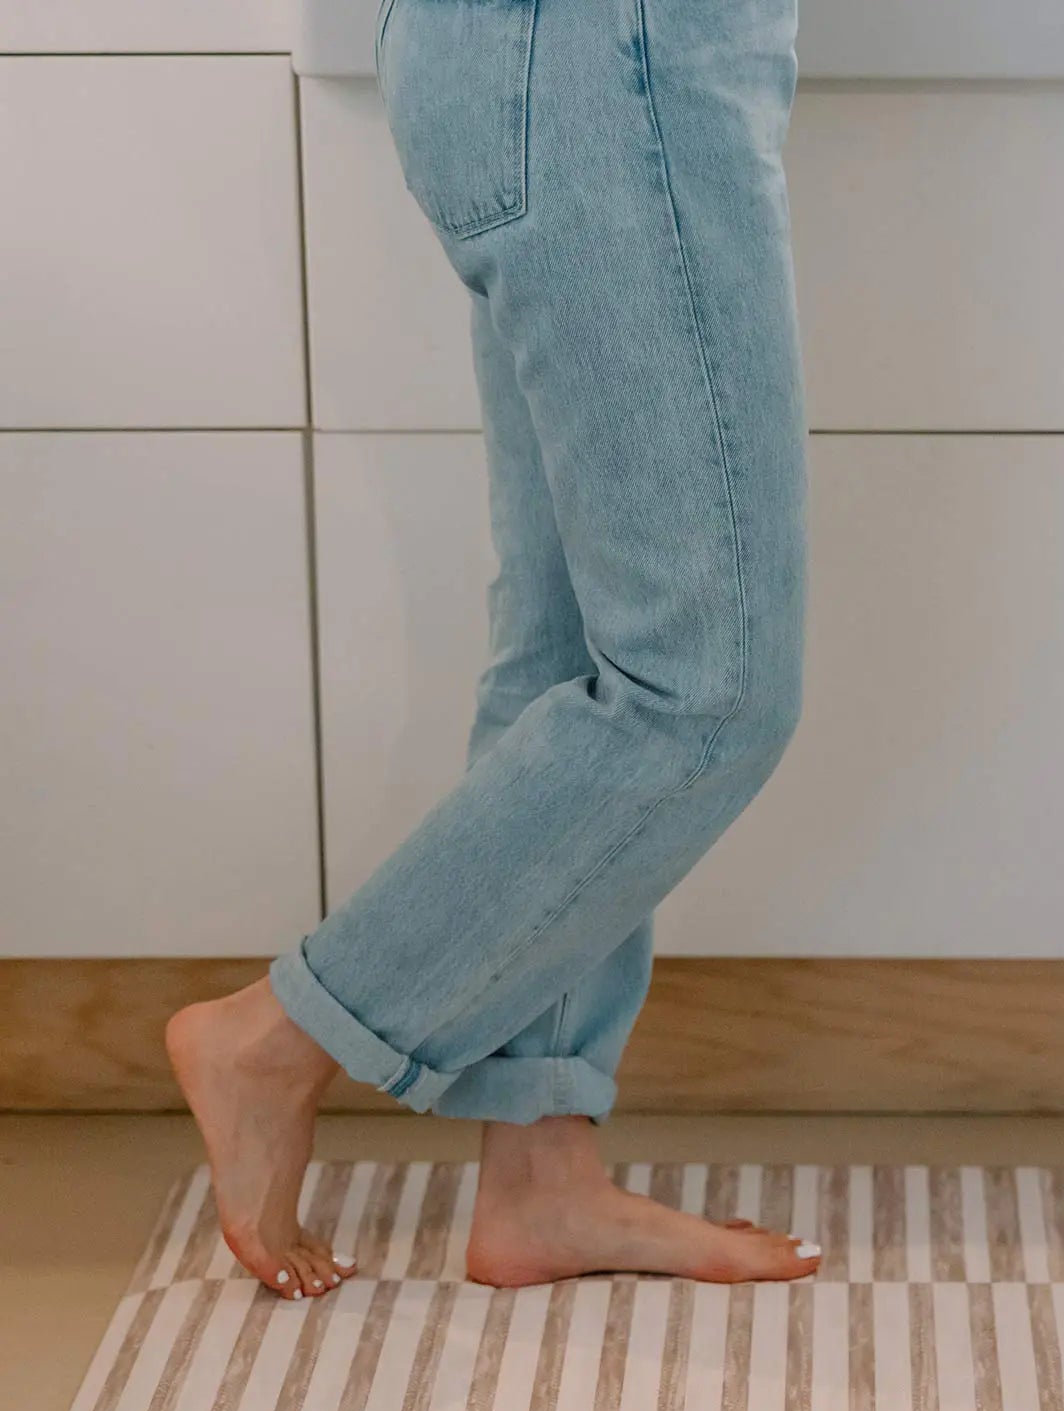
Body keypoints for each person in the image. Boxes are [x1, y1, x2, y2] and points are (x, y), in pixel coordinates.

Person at [166, 0, 820, 1301]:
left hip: (525, 54)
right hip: (608, 52)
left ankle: (541, 1176)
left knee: (578, 652)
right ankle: (278, 1036)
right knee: (706, 689)